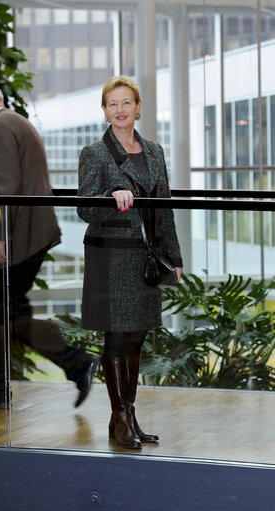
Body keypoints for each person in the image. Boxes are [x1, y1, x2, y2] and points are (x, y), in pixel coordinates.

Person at [0, 80, 98, 409]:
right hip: (28, 236)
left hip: (17, 240)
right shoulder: (16, 121)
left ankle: (75, 361)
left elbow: (6, 188)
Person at [77, 76, 183, 449]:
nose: (120, 110)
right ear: (104, 111)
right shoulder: (95, 153)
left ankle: (128, 414)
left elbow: (165, 209)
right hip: (111, 255)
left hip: (146, 256)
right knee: (117, 336)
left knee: (136, 335)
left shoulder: (154, 151)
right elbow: (85, 208)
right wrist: (110, 194)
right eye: (112, 104)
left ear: (139, 107)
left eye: (126, 103)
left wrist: (174, 256)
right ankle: (120, 416)